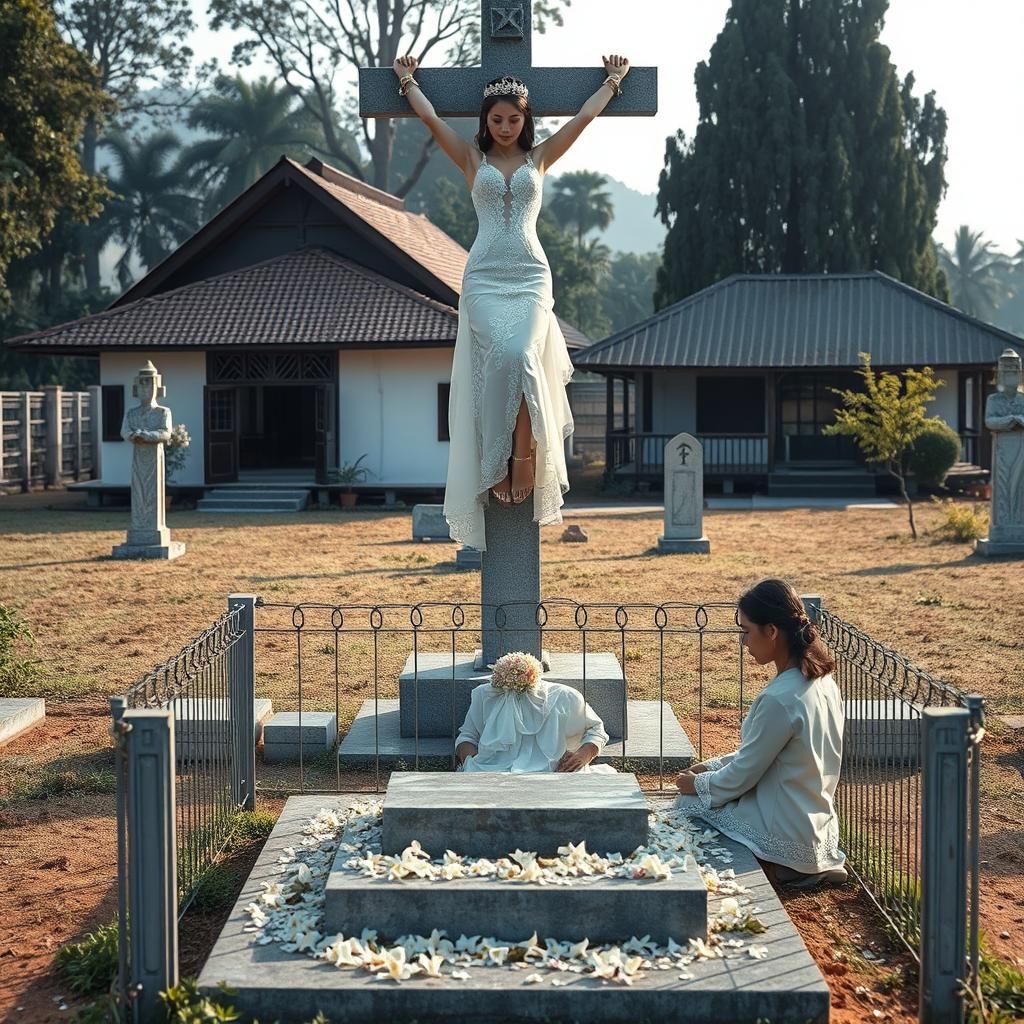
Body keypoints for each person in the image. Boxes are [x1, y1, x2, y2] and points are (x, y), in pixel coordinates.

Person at [392, 52, 631, 550]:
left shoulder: (539, 158)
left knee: (521, 355)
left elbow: (583, 119)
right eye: (496, 119)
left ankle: (522, 456)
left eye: (513, 119)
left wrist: (612, 81)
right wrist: (408, 80)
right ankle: (493, 461)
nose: (504, 126)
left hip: (529, 275)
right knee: (499, 358)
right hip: (481, 276)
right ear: (485, 121)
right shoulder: (470, 159)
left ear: (525, 120)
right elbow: (431, 118)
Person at [675, 579, 848, 890]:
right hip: (818, 827)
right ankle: (803, 865)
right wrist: (710, 766)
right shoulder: (823, 681)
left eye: (747, 630)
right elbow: (767, 752)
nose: (744, 641)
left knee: (686, 804)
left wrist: (696, 784)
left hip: (787, 832)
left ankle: (782, 865)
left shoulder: (780, 698)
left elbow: (743, 774)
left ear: (771, 631)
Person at [454, 678, 613, 774]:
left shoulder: (565, 696)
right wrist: (472, 763)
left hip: (552, 771)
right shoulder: (486, 695)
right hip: (493, 771)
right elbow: (467, 736)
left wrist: (583, 755)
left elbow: (597, 729)